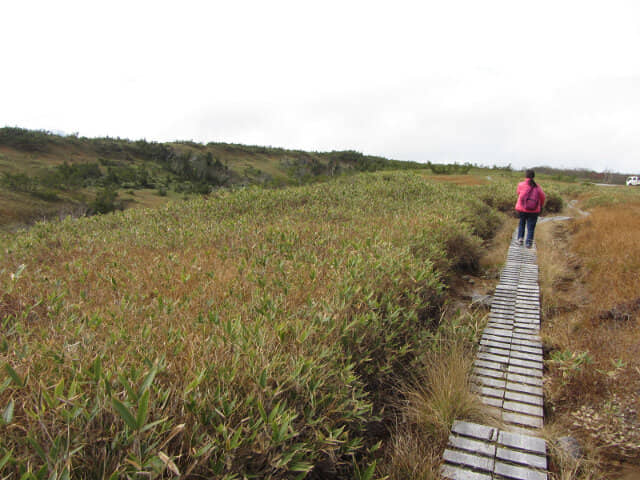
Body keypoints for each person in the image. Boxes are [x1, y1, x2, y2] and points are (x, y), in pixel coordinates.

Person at [515, 169, 545, 248]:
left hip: (522, 208)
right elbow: (542, 197)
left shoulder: (521, 184)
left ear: (526, 176)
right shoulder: (537, 186)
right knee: (531, 227)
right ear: (533, 176)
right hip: (534, 210)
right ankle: (528, 243)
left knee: (522, 223)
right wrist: (540, 205)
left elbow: (518, 193)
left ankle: (520, 239)